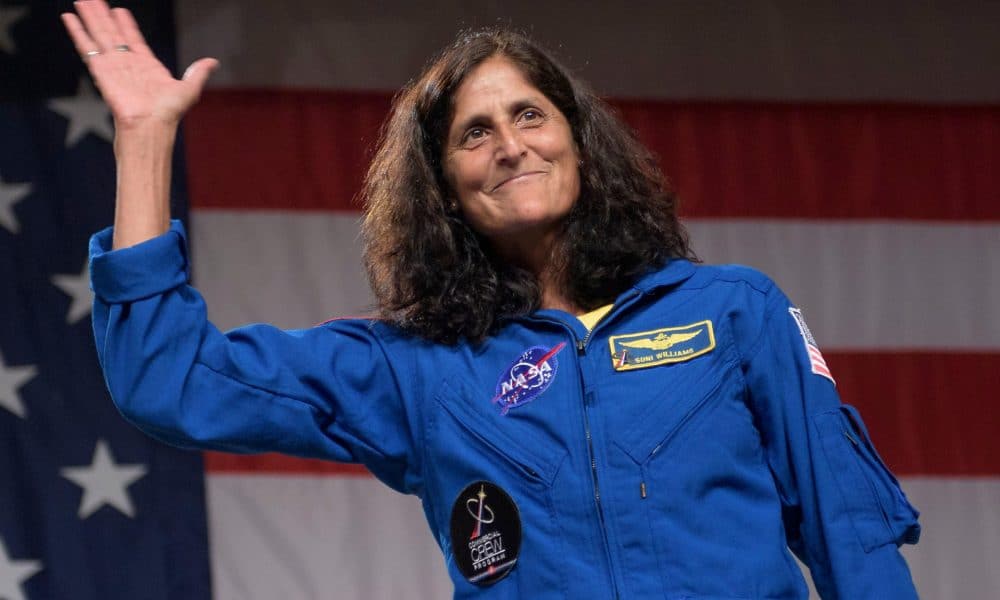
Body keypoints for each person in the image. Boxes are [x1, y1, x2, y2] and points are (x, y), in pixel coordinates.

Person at [64, 1, 921, 598]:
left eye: (531, 116)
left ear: (580, 143)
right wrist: (145, 142)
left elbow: (850, 532)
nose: (511, 146)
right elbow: (169, 381)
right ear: (442, 189)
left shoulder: (735, 311)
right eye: (476, 133)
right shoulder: (418, 367)